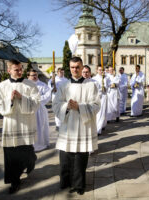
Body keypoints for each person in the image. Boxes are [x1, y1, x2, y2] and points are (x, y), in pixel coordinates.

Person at [52, 57, 100, 195]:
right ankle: (65, 181)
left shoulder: (91, 85)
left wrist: (80, 107)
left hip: (83, 126)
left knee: (80, 157)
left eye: (78, 67)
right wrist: (66, 106)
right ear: (69, 67)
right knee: (65, 155)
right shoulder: (63, 86)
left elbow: (96, 105)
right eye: (72, 67)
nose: (75, 69)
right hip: (68, 126)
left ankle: (79, 185)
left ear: (82, 66)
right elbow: (55, 105)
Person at [0, 59, 40, 194]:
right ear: (9, 70)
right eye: (16, 69)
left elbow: (36, 103)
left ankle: (31, 161)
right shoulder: (2, 86)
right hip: (11, 125)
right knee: (12, 156)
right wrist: (10, 100)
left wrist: (22, 98)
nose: (20, 72)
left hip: (26, 124)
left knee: (28, 155)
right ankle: (14, 182)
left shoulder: (30, 85)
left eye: (21, 69)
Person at [28, 69, 52, 152]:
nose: (35, 77)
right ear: (28, 76)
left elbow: (48, 95)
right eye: (32, 75)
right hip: (29, 110)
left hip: (40, 109)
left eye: (36, 75)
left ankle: (41, 143)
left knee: (41, 126)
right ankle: (30, 145)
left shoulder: (42, 85)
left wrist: (37, 100)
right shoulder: (25, 85)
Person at [92, 66, 110, 134]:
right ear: (97, 70)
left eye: (102, 70)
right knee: (99, 113)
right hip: (97, 97)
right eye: (99, 70)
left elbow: (108, 86)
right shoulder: (94, 79)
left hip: (104, 96)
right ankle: (97, 129)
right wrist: (100, 90)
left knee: (103, 112)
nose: (101, 71)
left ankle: (102, 125)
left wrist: (106, 88)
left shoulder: (106, 78)